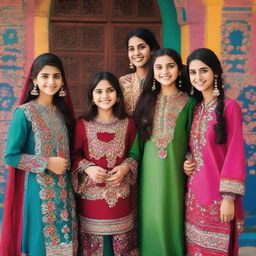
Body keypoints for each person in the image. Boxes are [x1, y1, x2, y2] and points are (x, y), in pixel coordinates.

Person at [0, 53, 78, 255]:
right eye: (45, 76)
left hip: (64, 193)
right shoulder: (24, 113)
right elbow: (11, 156)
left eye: (56, 76)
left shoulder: (63, 113)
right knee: (40, 247)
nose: (51, 81)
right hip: (39, 194)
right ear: (34, 79)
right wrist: (46, 163)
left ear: (62, 81)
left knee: (64, 247)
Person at [132, 48, 197, 256]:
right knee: (150, 221)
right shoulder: (144, 103)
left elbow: (194, 142)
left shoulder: (190, 103)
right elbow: (136, 146)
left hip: (176, 177)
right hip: (148, 178)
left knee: (172, 219)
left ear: (179, 69)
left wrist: (189, 158)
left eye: (170, 66)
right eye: (159, 67)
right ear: (153, 71)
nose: (165, 71)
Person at [184, 48, 246, 256]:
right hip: (194, 196)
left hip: (219, 199)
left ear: (216, 73)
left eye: (203, 71)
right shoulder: (195, 108)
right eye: (193, 72)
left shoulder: (230, 107)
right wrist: (187, 160)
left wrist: (229, 199)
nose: (198, 77)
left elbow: (235, 153)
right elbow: (195, 148)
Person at [71, 72, 141, 256]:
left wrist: (125, 167)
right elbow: (75, 155)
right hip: (91, 202)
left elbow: (135, 153)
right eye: (99, 91)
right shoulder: (82, 124)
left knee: (123, 248)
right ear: (92, 97)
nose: (105, 96)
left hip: (120, 199)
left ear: (118, 95)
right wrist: (89, 168)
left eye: (110, 90)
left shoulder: (129, 123)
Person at [119, 28, 160, 115]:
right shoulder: (123, 82)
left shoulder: (161, 80)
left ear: (152, 50)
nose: (136, 53)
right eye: (131, 49)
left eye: (142, 47)